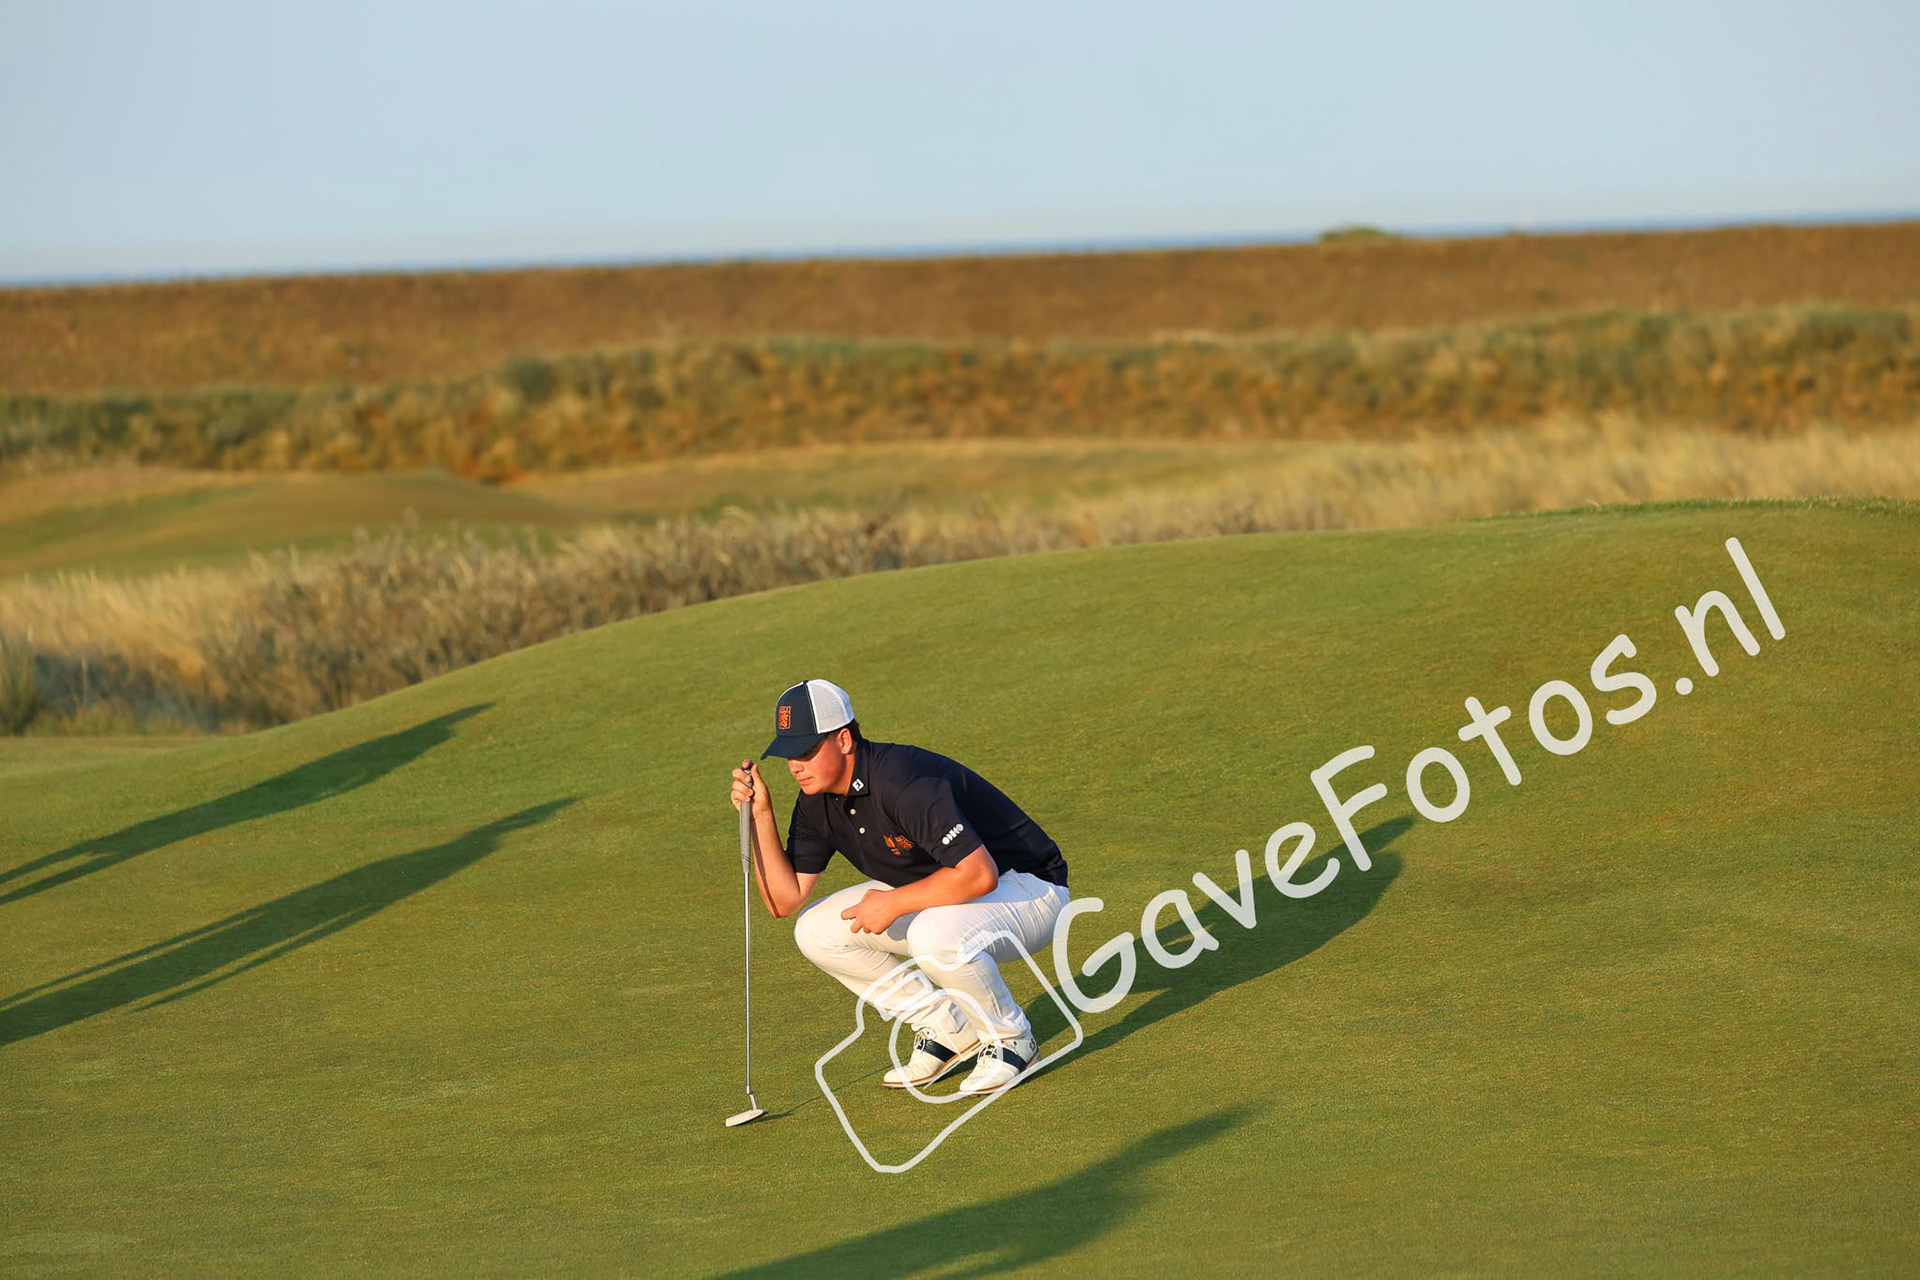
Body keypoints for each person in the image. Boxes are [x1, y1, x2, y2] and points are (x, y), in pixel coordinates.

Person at [728, 679, 1070, 1094]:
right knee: (814, 931)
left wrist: (894, 902)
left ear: (843, 740)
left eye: (805, 751)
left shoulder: (904, 782)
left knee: (931, 935)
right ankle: (948, 1028)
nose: (795, 765)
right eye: (788, 754)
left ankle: (1012, 1039)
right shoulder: (815, 802)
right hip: (949, 893)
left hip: (1030, 889)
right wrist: (762, 815)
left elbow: (980, 874)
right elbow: (784, 900)